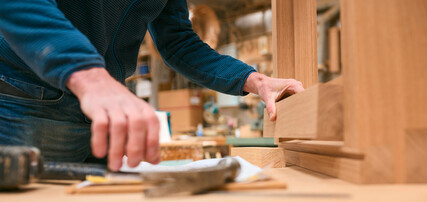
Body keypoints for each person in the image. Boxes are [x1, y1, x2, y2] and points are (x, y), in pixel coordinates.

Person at [0, 0, 304, 171]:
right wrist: (88, 75)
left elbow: (178, 41)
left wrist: (256, 81)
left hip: (102, 113)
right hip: (27, 98)